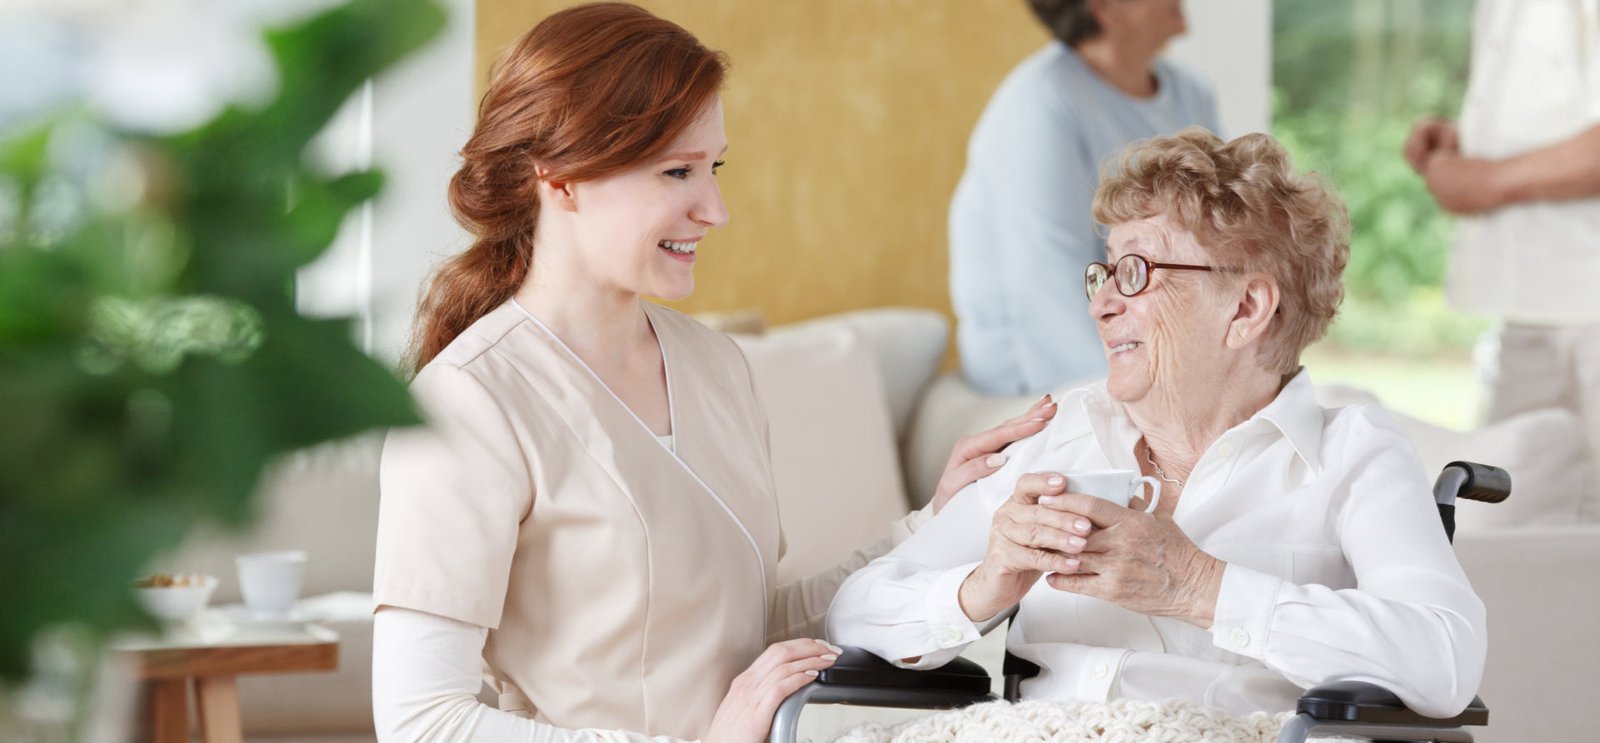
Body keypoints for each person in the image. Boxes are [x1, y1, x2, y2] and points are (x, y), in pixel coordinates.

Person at [368, 4, 1056, 742]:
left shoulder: (714, 366)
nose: (716, 209)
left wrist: (936, 524)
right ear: (560, 178)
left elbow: (746, 634)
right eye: (677, 171)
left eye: (714, 167)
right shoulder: (468, 401)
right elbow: (422, 720)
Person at [830, 129, 1487, 718]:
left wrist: (1202, 586)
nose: (1102, 305)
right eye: (1103, 273)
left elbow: (1445, 657)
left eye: (1136, 272)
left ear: (1247, 306)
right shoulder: (1056, 438)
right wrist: (985, 582)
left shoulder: (1352, 455)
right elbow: (855, 610)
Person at [949, 0, 1221, 396]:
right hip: (1039, 386)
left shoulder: (1191, 94)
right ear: (1104, 8)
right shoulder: (1040, 104)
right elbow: (1046, 292)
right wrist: (1125, 405)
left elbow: (1220, 240)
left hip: (1158, 361)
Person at [1403, 0, 1600, 464]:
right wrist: (1470, 139)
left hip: (1590, 302)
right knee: (1509, 505)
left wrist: (1483, 181)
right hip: (1531, 303)